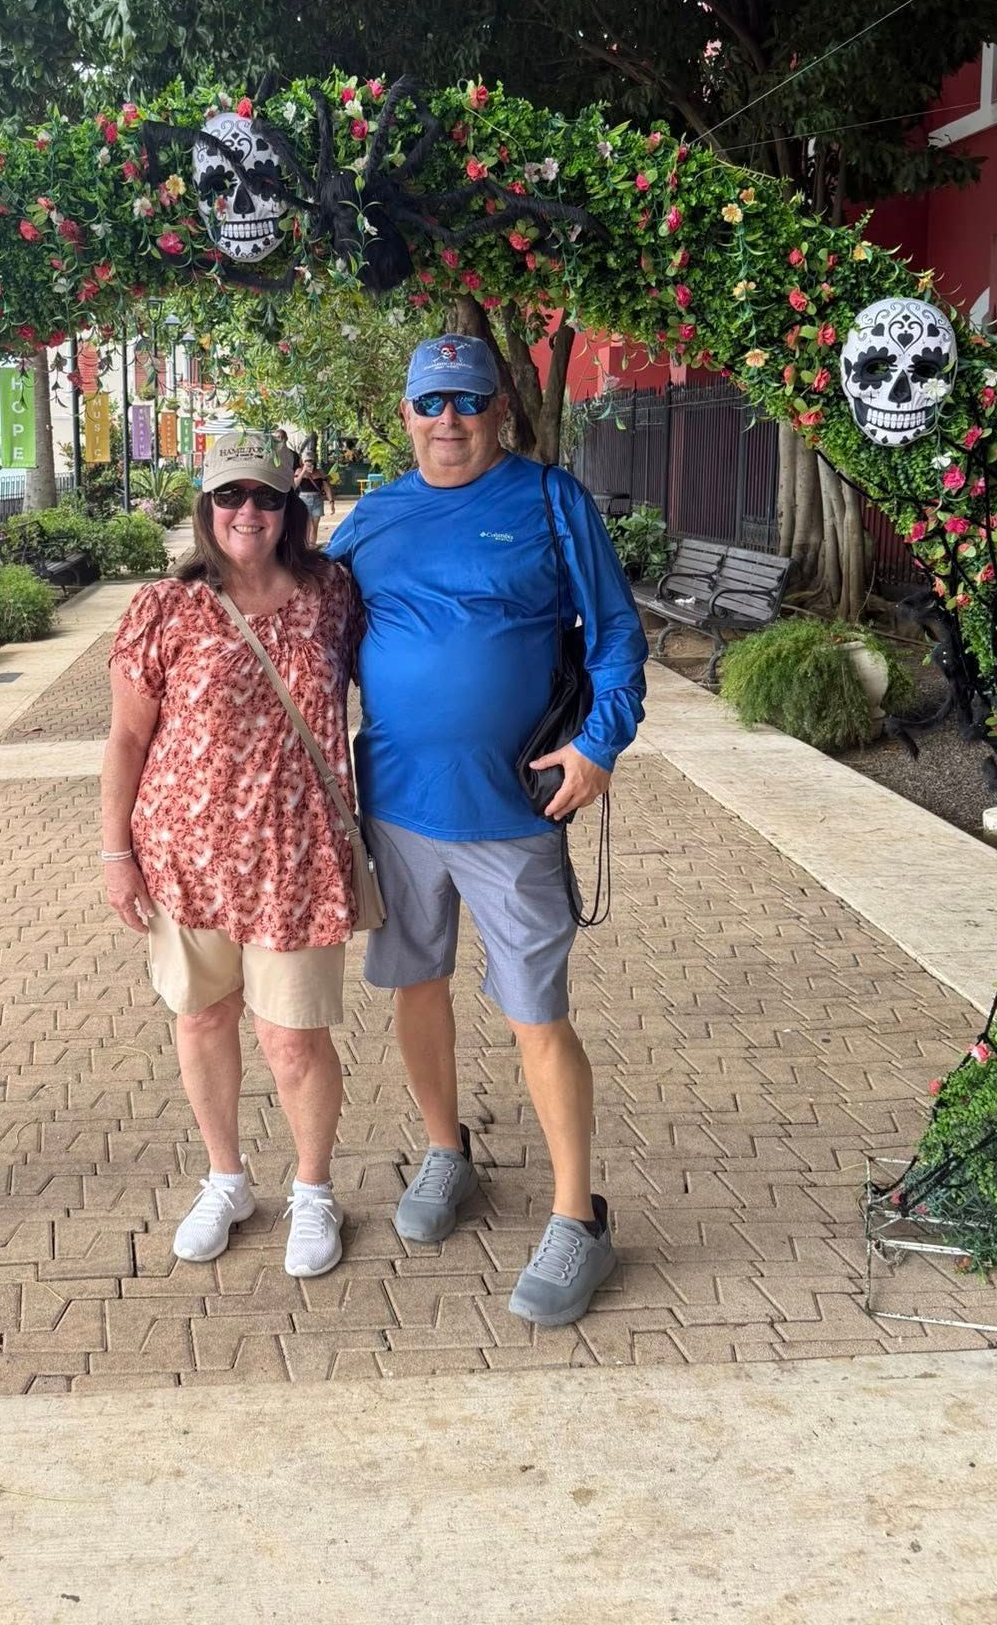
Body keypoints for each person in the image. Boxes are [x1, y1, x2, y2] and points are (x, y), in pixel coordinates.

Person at [326, 334, 648, 1326]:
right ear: (406, 412)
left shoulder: (553, 501)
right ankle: (445, 1150)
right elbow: (302, 624)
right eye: (432, 402)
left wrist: (598, 745)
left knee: (534, 1008)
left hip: (514, 810)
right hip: (399, 804)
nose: (450, 420)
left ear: (498, 407)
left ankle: (575, 1216)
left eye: (468, 400)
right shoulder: (372, 518)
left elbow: (619, 636)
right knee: (414, 982)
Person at [102, 431, 359, 1279]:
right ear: (206, 509)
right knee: (203, 1019)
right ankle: (227, 1180)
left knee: (294, 1041)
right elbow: (127, 740)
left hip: (297, 860)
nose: (247, 512)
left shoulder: (331, 596)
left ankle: (313, 1192)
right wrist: (116, 853)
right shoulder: (164, 609)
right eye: (229, 497)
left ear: (292, 508)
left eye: (266, 497)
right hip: (185, 858)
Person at [293, 452, 336, 546]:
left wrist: (331, 502)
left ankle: (312, 545)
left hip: (317, 499)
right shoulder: (299, 471)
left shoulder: (319, 472)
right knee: (307, 525)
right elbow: (295, 485)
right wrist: (304, 471)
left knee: (315, 525)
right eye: (306, 461)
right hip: (304, 499)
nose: (309, 463)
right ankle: (306, 546)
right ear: (302, 461)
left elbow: (326, 487)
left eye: (310, 461)